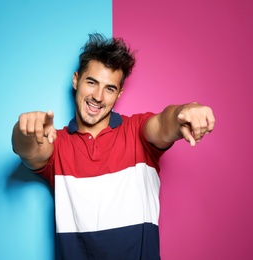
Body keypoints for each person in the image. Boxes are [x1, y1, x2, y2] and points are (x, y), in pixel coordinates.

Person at [12, 33, 215, 259]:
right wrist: (25, 130)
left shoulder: (137, 131)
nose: (98, 97)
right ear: (76, 80)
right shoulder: (57, 143)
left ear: (119, 94)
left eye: (109, 88)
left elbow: (164, 123)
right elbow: (27, 150)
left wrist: (185, 111)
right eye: (92, 82)